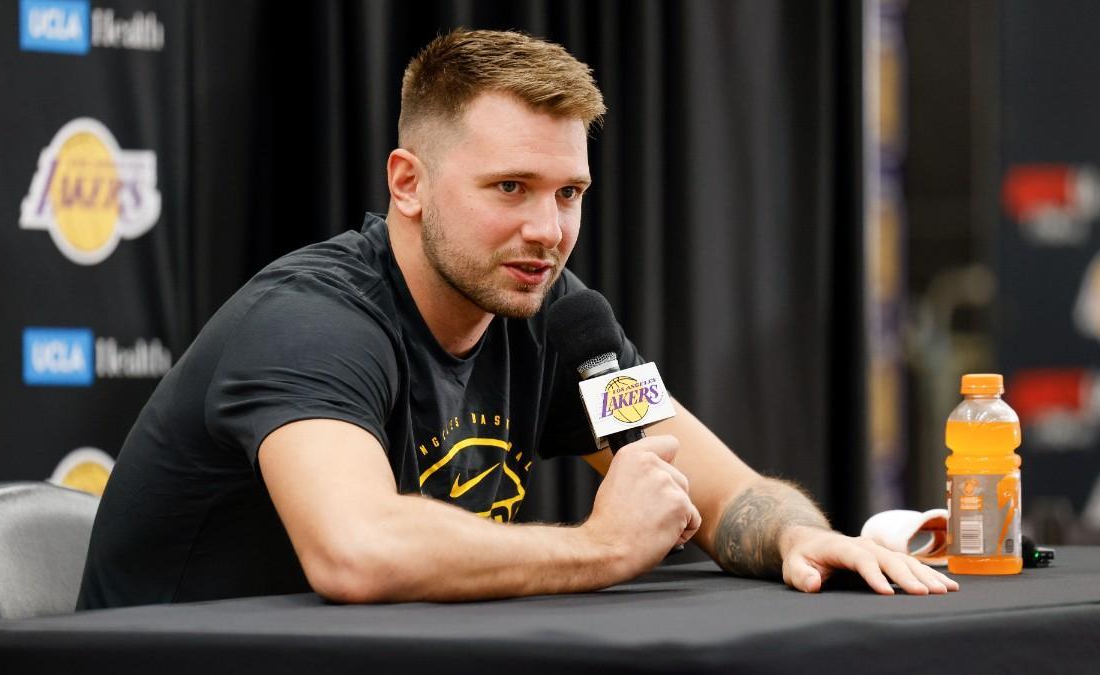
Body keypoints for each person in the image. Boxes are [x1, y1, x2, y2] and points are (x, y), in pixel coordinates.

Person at [77, 29, 958, 609]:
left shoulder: (559, 320)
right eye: (510, 189)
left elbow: (719, 487)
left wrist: (802, 535)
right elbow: (358, 550)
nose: (549, 229)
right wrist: (602, 547)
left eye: (569, 191)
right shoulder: (310, 324)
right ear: (408, 184)